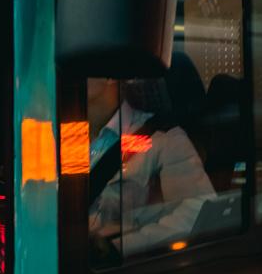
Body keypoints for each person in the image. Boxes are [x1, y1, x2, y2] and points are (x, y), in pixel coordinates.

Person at [86, 65, 215, 261]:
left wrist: (117, 248)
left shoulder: (161, 139)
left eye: (81, 64)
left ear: (110, 75)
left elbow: (198, 211)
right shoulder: (67, 137)